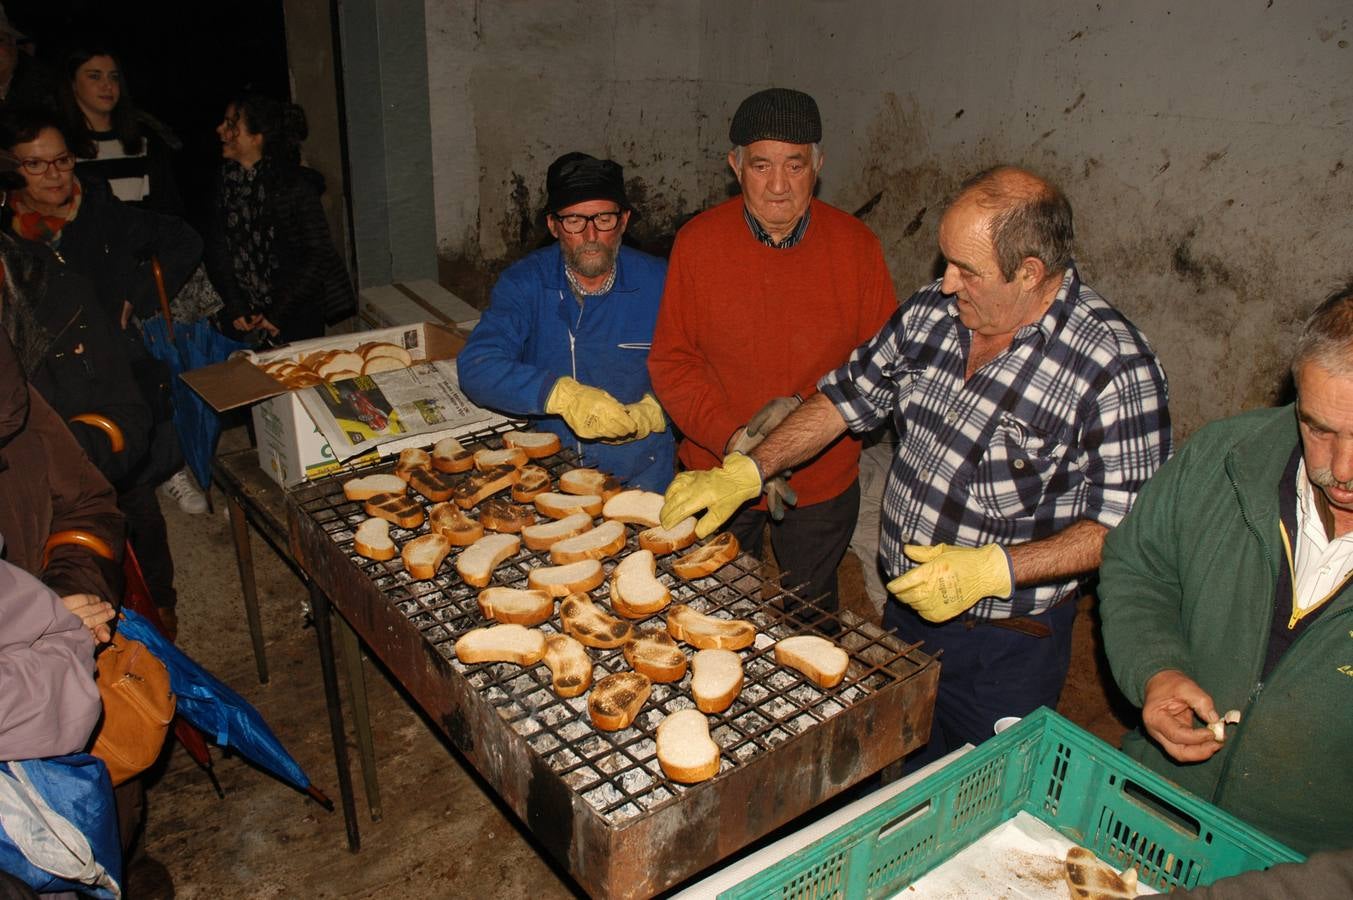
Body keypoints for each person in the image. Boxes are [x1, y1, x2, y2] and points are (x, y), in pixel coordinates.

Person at [662, 166, 1171, 768]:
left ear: (1030, 272)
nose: (945, 281)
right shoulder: (934, 313)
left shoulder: (1115, 369)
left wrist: (993, 569)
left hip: (1005, 642)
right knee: (895, 765)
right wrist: (748, 468)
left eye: (967, 269)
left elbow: (1128, 531)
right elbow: (844, 398)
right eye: (946, 261)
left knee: (971, 794)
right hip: (906, 613)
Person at [1099, 284, 1353, 855]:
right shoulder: (1224, 457)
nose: (1340, 470)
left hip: (1294, 875)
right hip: (1150, 809)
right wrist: (1157, 669)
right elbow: (1139, 567)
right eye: (1319, 429)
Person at [648, 88, 897, 625]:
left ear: (819, 164)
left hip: (820, 477)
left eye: (795, 164)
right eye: (761, 165)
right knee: (713, 613)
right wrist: (735, 439)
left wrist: (800, 419)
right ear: (735, 165)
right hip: (717, 470)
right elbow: (673, 361)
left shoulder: (857, 248)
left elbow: (884, 367)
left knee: (810, 614)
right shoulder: (697, 243)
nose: (779, 186)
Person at [0, 108, 201, 632]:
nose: (54, 176)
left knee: (136, 508)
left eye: (62, 160)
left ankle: (163, 607)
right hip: (53, 397)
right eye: (36, 165)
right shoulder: (16, 243)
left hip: (107, 377)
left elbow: (182, 239)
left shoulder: (101, 212)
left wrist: (133, 300)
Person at [456, 151, 675, 491]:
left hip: (642, 474)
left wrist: (658, 411)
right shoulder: (525, 283)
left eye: (603, 218)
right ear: (553, 226)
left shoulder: (661, 283)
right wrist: (560, 395)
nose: (590, 235)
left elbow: (705, 366)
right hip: (549, 474)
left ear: (624, 221)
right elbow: (477, 367)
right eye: (574, 220)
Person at [204, 94, 354, 346]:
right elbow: (218, 249)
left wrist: (277, 315)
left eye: (231, 126)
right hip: (248, 317)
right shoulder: (227, 183)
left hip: (295, 314)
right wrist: (236, 304)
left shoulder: (293, 186)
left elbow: (318, 254)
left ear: (256, 138)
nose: (221, 130)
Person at [61, 43, 183, 214]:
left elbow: (167, 210)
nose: (107, 85)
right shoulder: (59, 145)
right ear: (73, 83)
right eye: (95, 76)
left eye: (114, 77)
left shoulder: (145, 141)